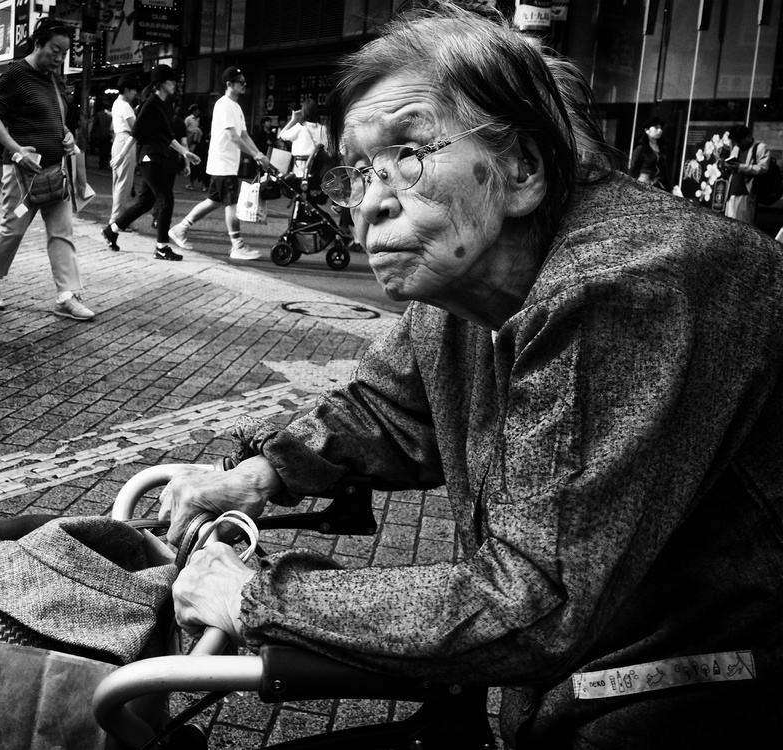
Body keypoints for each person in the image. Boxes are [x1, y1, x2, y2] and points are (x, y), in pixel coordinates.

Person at [162, 6, 782, 749]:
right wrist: (258, 473)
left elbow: (534, 597)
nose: (370, 202)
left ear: (522, 167)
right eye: (359, 170)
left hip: (710, 676)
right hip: (603, 656)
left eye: (409, 154)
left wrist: (257, 599)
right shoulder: (464, 274)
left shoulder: (625, 284)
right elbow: (389, 408)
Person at [0, 18, 95, 321]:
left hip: (56, 174)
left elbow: (55, 119)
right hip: (22, 176)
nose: (59, 58)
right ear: (38, 43)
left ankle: (67, 296)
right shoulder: (16, 74)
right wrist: (16, 150)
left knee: (62, 233)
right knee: (13, 227)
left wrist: (65, 134)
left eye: (64, 53)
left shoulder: (55, 79)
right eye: (55, 50)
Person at [168, 66, 271, 261]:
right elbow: (233, 137)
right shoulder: (223, 105)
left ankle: (180, 229)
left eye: (244, 82)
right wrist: (256, 155)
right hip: (223, 163)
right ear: (229, 84)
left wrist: (258, 153)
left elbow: (244, 135)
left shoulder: (236, 107)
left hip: (226, 163)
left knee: (214, 200)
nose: (244, 85)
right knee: (231, 203)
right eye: (240, 82)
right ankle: (237, 246)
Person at [101, 65, 200, 261]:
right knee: (165, 199)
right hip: (148, 158)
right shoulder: (151, 103)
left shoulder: (165, 103)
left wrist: (185, 152)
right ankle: (162, 247)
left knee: (146, 202)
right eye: (172, 81)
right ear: (161, 83)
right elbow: (136, 132)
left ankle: (112, 230)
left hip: (159, 157)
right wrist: (121, 155)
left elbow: (167, 136)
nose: (175, 85)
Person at [102, 73, 138, 245]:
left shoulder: (116, 104)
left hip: (118, 140)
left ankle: (117, 220)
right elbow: (135, 129)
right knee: (124, 184)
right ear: (126, 90)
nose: (135, 93)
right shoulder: (125, 106)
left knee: (118, 183)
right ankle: (116, 222)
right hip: (126, 142)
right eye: (133, 90)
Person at [722, 123, 770, 225]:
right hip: (732, 190)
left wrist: (741, 167)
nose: (738, 145)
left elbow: (762, 168)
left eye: (739, 141)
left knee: (743, 225)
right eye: (735, 143)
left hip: (746, 192)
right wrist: (728, 166)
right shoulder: (736, 148)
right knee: (729, 224)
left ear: (748, 137)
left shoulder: (760, 148)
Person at [278, 98, 327, 178]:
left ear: (303, 112)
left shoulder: (300, 128)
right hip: (318, 169)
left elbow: (281, 136)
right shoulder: (323, 129)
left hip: (300, 167)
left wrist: (293, 120)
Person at [628, 116, 667, 190]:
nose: (659, 130)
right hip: (643, 185)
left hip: (657, 185)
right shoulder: (642, 148)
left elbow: (664, 171)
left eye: (660, 128)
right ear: (647, 130)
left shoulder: (661, 148)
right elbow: (633, 169)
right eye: (656, 128)